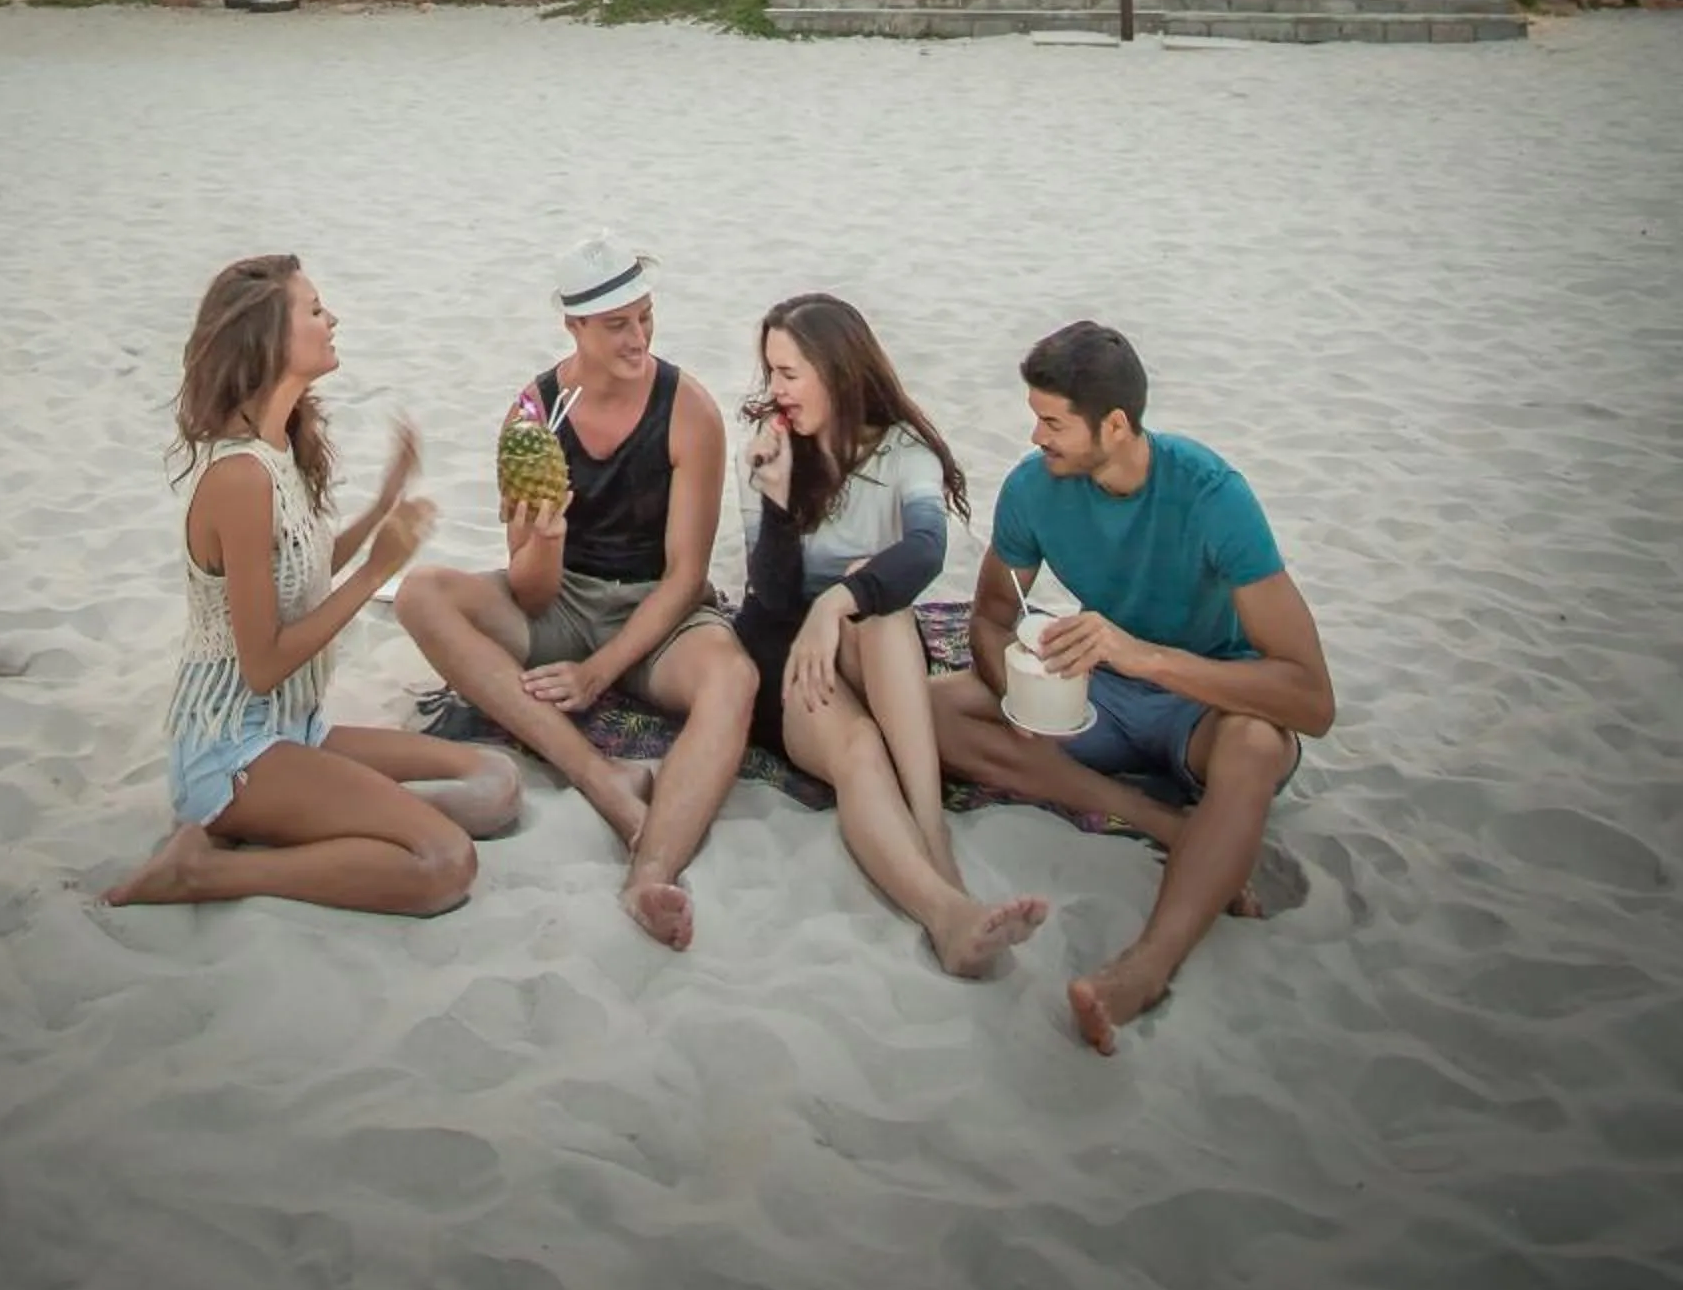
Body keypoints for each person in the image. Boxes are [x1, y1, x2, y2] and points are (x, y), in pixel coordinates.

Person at [930, 321, 1334, 1053]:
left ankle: (1142, 972)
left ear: (1115, 425)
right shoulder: (1033, 491)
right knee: (929, 711)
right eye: (1035, 417)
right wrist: (1014, 694)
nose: (1035, 437)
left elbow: (1311, 699)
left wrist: (1146, 658)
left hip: (1208, 703)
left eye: (1053, 422)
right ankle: (1165, 824)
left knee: (1255, 746)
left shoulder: (1212, 496)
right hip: (1098, 690)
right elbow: (990, 617)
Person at [107, 252, 521, 913]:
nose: (334, 318)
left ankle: (334, 822)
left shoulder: (277, 451)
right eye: (316, 309)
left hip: (295, 728)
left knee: (495, 782)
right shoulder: (238, 478)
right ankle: (199, 873)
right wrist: (379, 571)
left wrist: (386, 501)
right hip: (230, 752)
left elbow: (303, 569)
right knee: (446, 862)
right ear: (270, 337)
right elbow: (264, 662)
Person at [396, 231, 756, 950]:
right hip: (563, 602)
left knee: (735, 679)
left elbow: (687, 575)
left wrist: (599, 672)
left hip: (660, 609)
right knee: (421, 594)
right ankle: (602, 778)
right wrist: (550, 538)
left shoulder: (690, 412)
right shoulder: (534, 418)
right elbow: (530, 596)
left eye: (646, 316)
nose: (639, 337)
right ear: (575, 325)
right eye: (617, 324)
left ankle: (649, 871)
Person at [736, 295, 1049, 981]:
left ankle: (933, 835)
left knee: (879, 599)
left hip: (868, 639)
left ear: (838, 370)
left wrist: (839, 603)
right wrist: (779, 500)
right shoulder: (769, 451)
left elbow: (927, 551)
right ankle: (947, 914)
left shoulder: (904, 453)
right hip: (782, 650)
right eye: (771, 374)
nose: (776, 392)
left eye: (789, 374)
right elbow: (778, 598)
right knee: (859, 746)